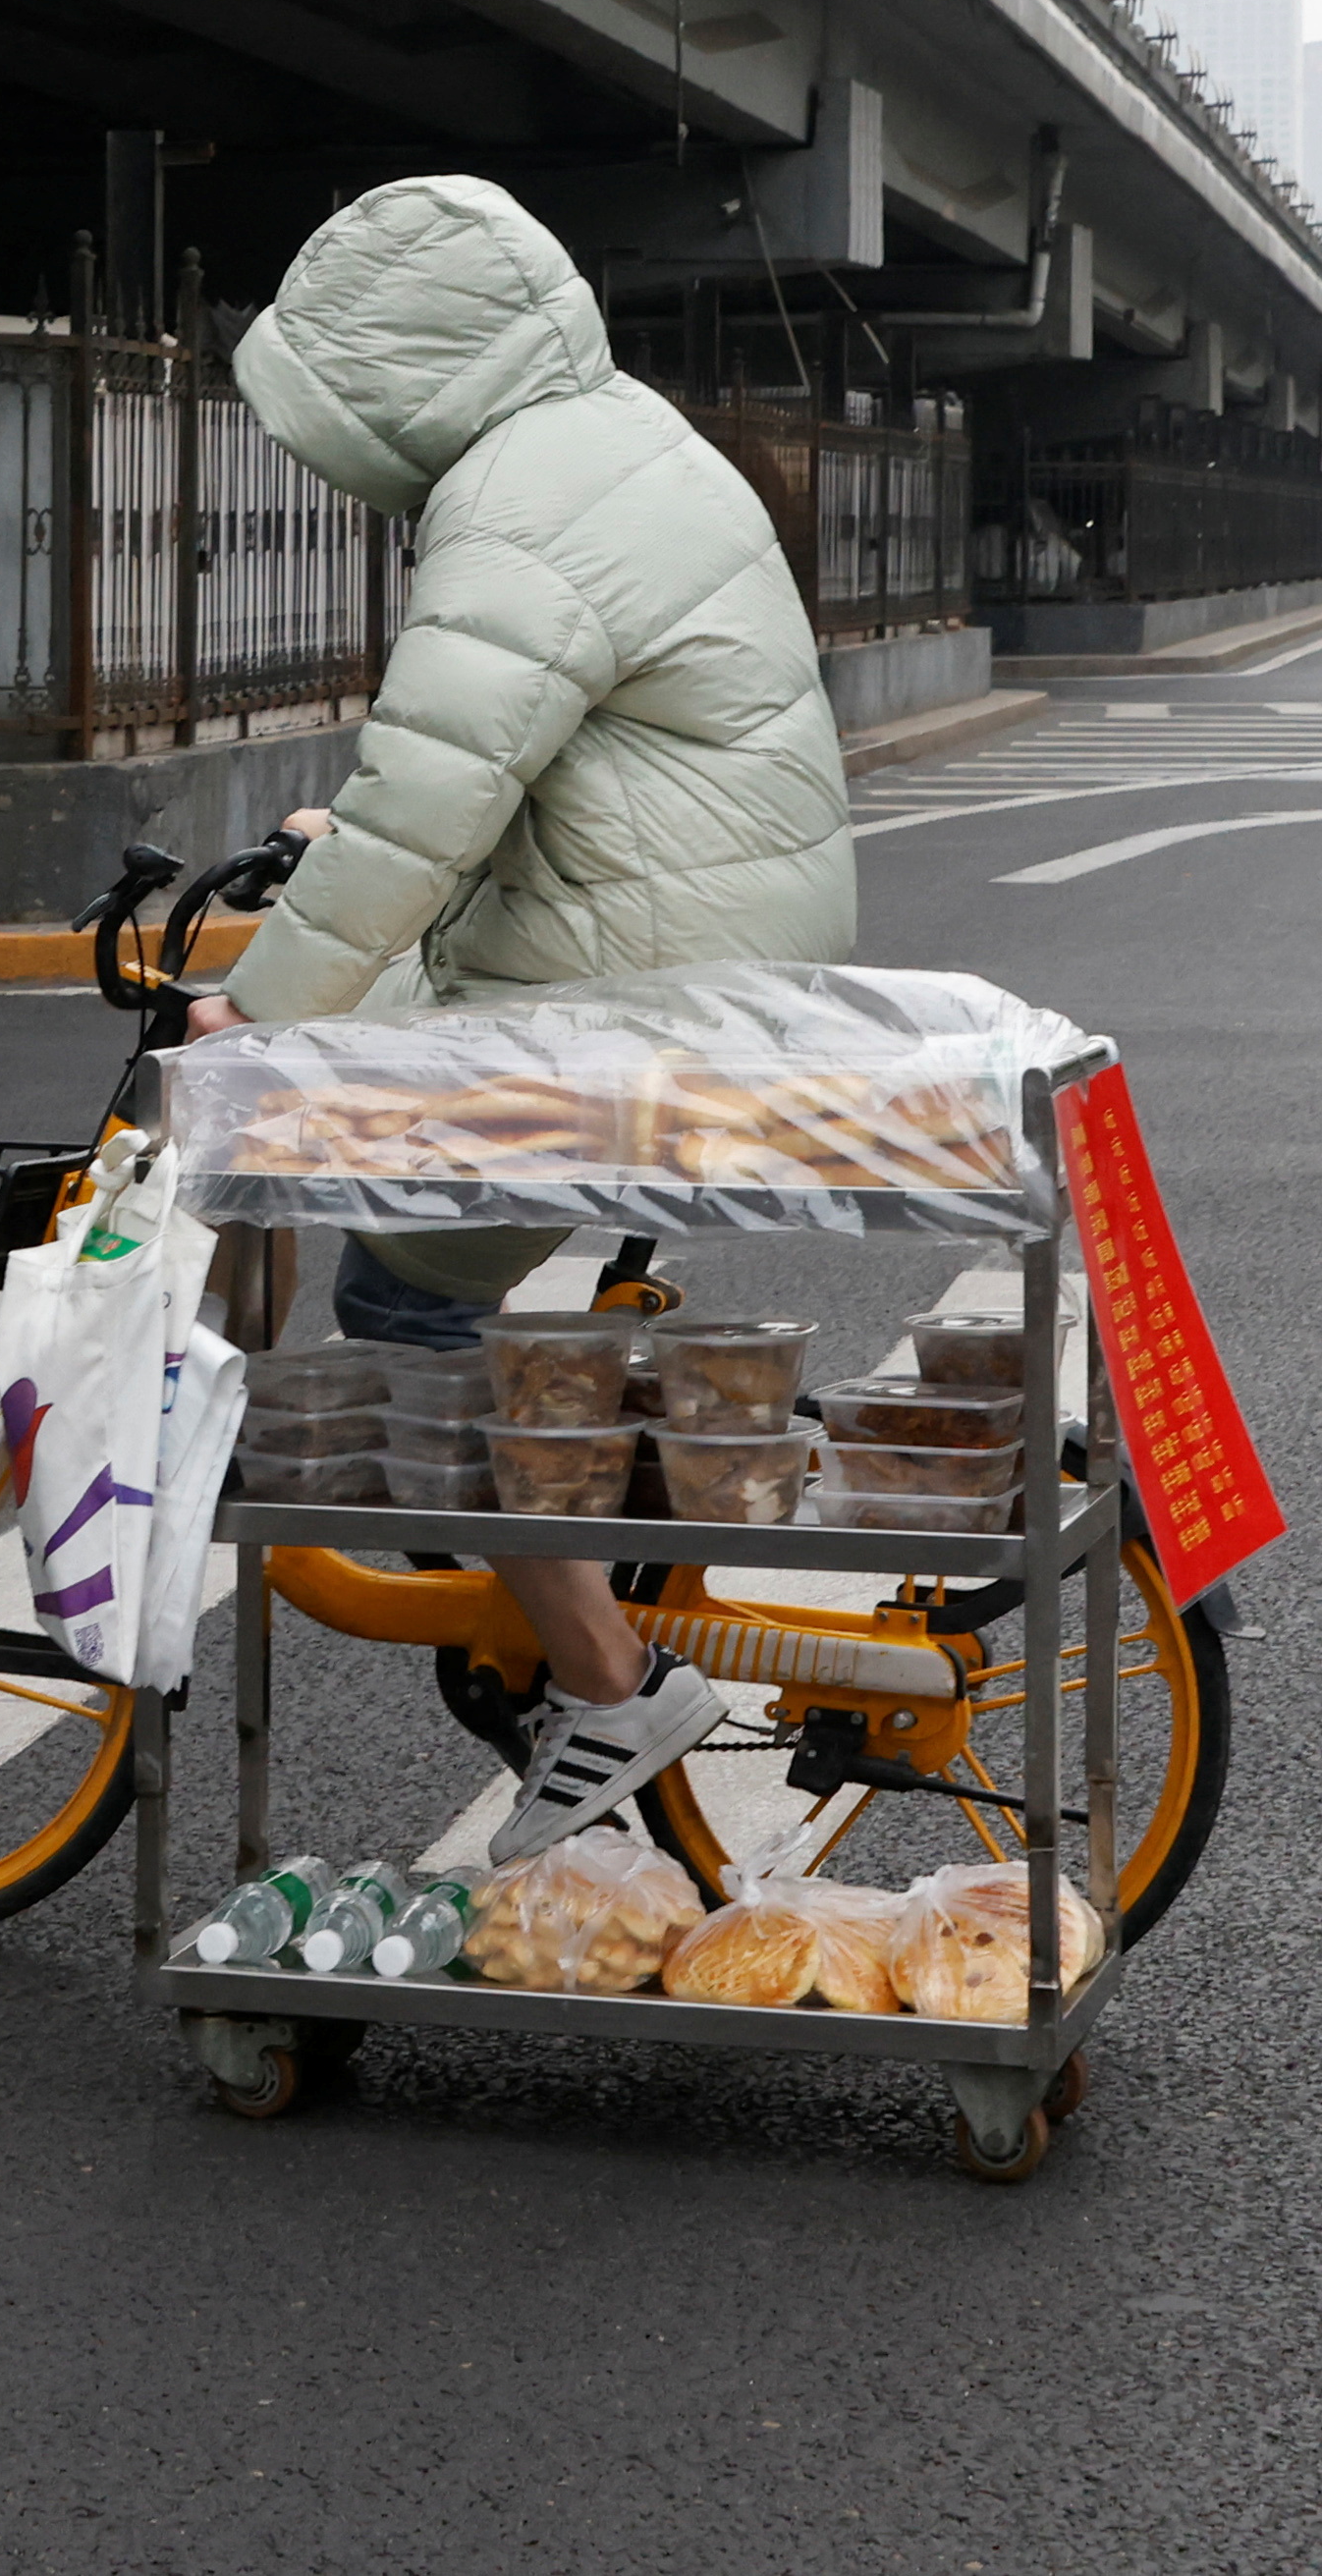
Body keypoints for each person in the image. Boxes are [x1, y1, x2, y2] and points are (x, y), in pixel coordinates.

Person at [175, 173, 856, 1861]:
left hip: (642, 988)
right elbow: (518, 761)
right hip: (677, 948)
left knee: (401, 1297)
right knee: (389, 1148)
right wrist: (342, 852)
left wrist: (260, 1002)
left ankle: (609, 1678)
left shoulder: (520, 498)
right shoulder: (606, 437)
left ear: (400, 371)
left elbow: (432, 791)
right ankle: (559, 1583)